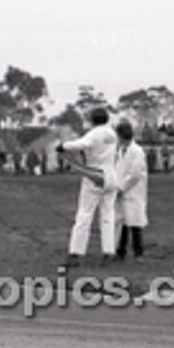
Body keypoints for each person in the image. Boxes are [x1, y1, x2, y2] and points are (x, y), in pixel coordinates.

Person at [56, 107, 118, 266]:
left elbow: (82, 144)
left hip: (95, 174)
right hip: (111, 174)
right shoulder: (112, 134)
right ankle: (108, 251)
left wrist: (63, 146)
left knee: (84, 214)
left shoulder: (94, 134)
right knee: (108, 216)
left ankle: (76, 252)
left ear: (92, 120)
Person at [112, 121, 148, 260]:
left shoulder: (137, 151)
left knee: (135, 224)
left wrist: (123, 188)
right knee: (123, 224)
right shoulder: (120, 151)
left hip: (133, 191)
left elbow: (136, 173)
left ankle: (139, 253)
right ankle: (120, 251)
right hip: (122, 190)